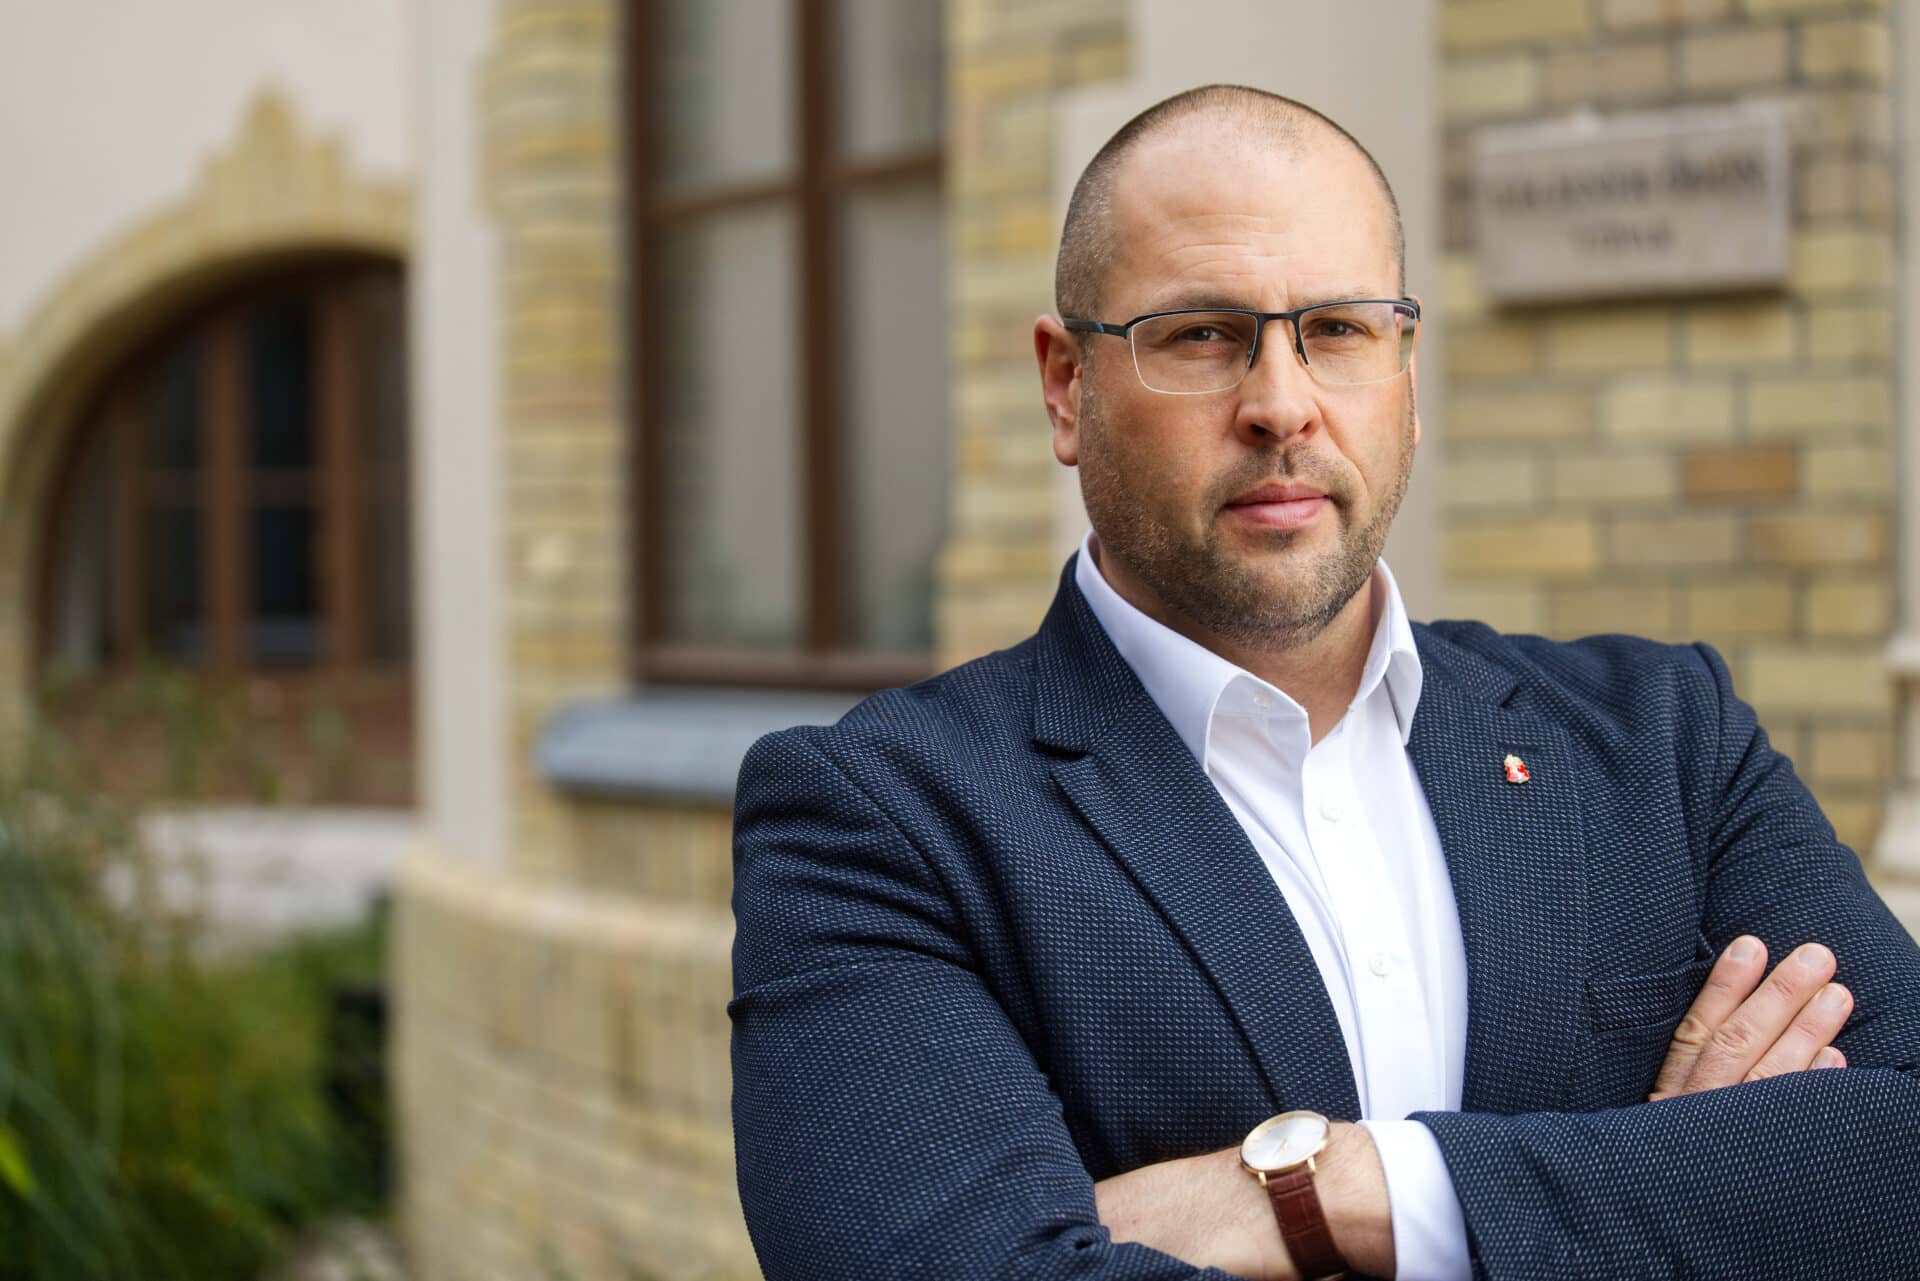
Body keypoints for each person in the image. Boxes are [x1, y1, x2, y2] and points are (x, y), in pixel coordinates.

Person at [728, 84, 1920, 1280]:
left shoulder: (1664, 741)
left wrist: (1329, 1192)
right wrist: (1672, 1195)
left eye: (1339, 330)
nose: (1282, 405)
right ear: (1065, 386)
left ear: (1408, 375)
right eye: (1201, 334)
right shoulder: (883, 821)